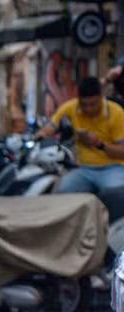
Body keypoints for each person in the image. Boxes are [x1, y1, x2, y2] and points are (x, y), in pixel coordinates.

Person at [35, 75, 124, 221]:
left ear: (101, 97)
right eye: (84, 104)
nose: (88, 109)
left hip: (113, 167)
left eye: (93, 104)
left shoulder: (117, 113)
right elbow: (49, 128)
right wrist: (39, 136)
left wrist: (100, 145)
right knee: (64, 190)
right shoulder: (70, 108)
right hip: (84, 169)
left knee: (114, 195)